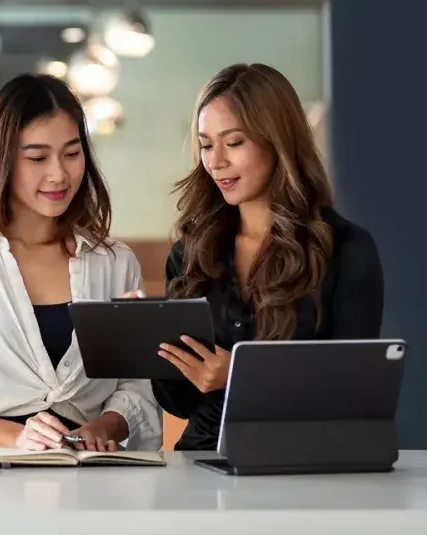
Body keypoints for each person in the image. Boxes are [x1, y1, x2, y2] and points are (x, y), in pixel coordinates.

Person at [126, 63, 384, 451]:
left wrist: (239, 375)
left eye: (233, 143)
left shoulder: (346, 250)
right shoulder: (191, 252)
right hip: (200, 464)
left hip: (303, 466)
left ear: (277, 140)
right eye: (207, 144)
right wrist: (151, 345)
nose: (215, 162)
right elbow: (180, 404)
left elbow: (354, 391)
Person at [0, 73, 162, 453]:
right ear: (2, 160)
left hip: (94, 480)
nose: (58, 174)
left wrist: (101, 429)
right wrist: (20, 438)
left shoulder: (114, 262)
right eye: (38, 157)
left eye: (72, 154)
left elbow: (138, 390)